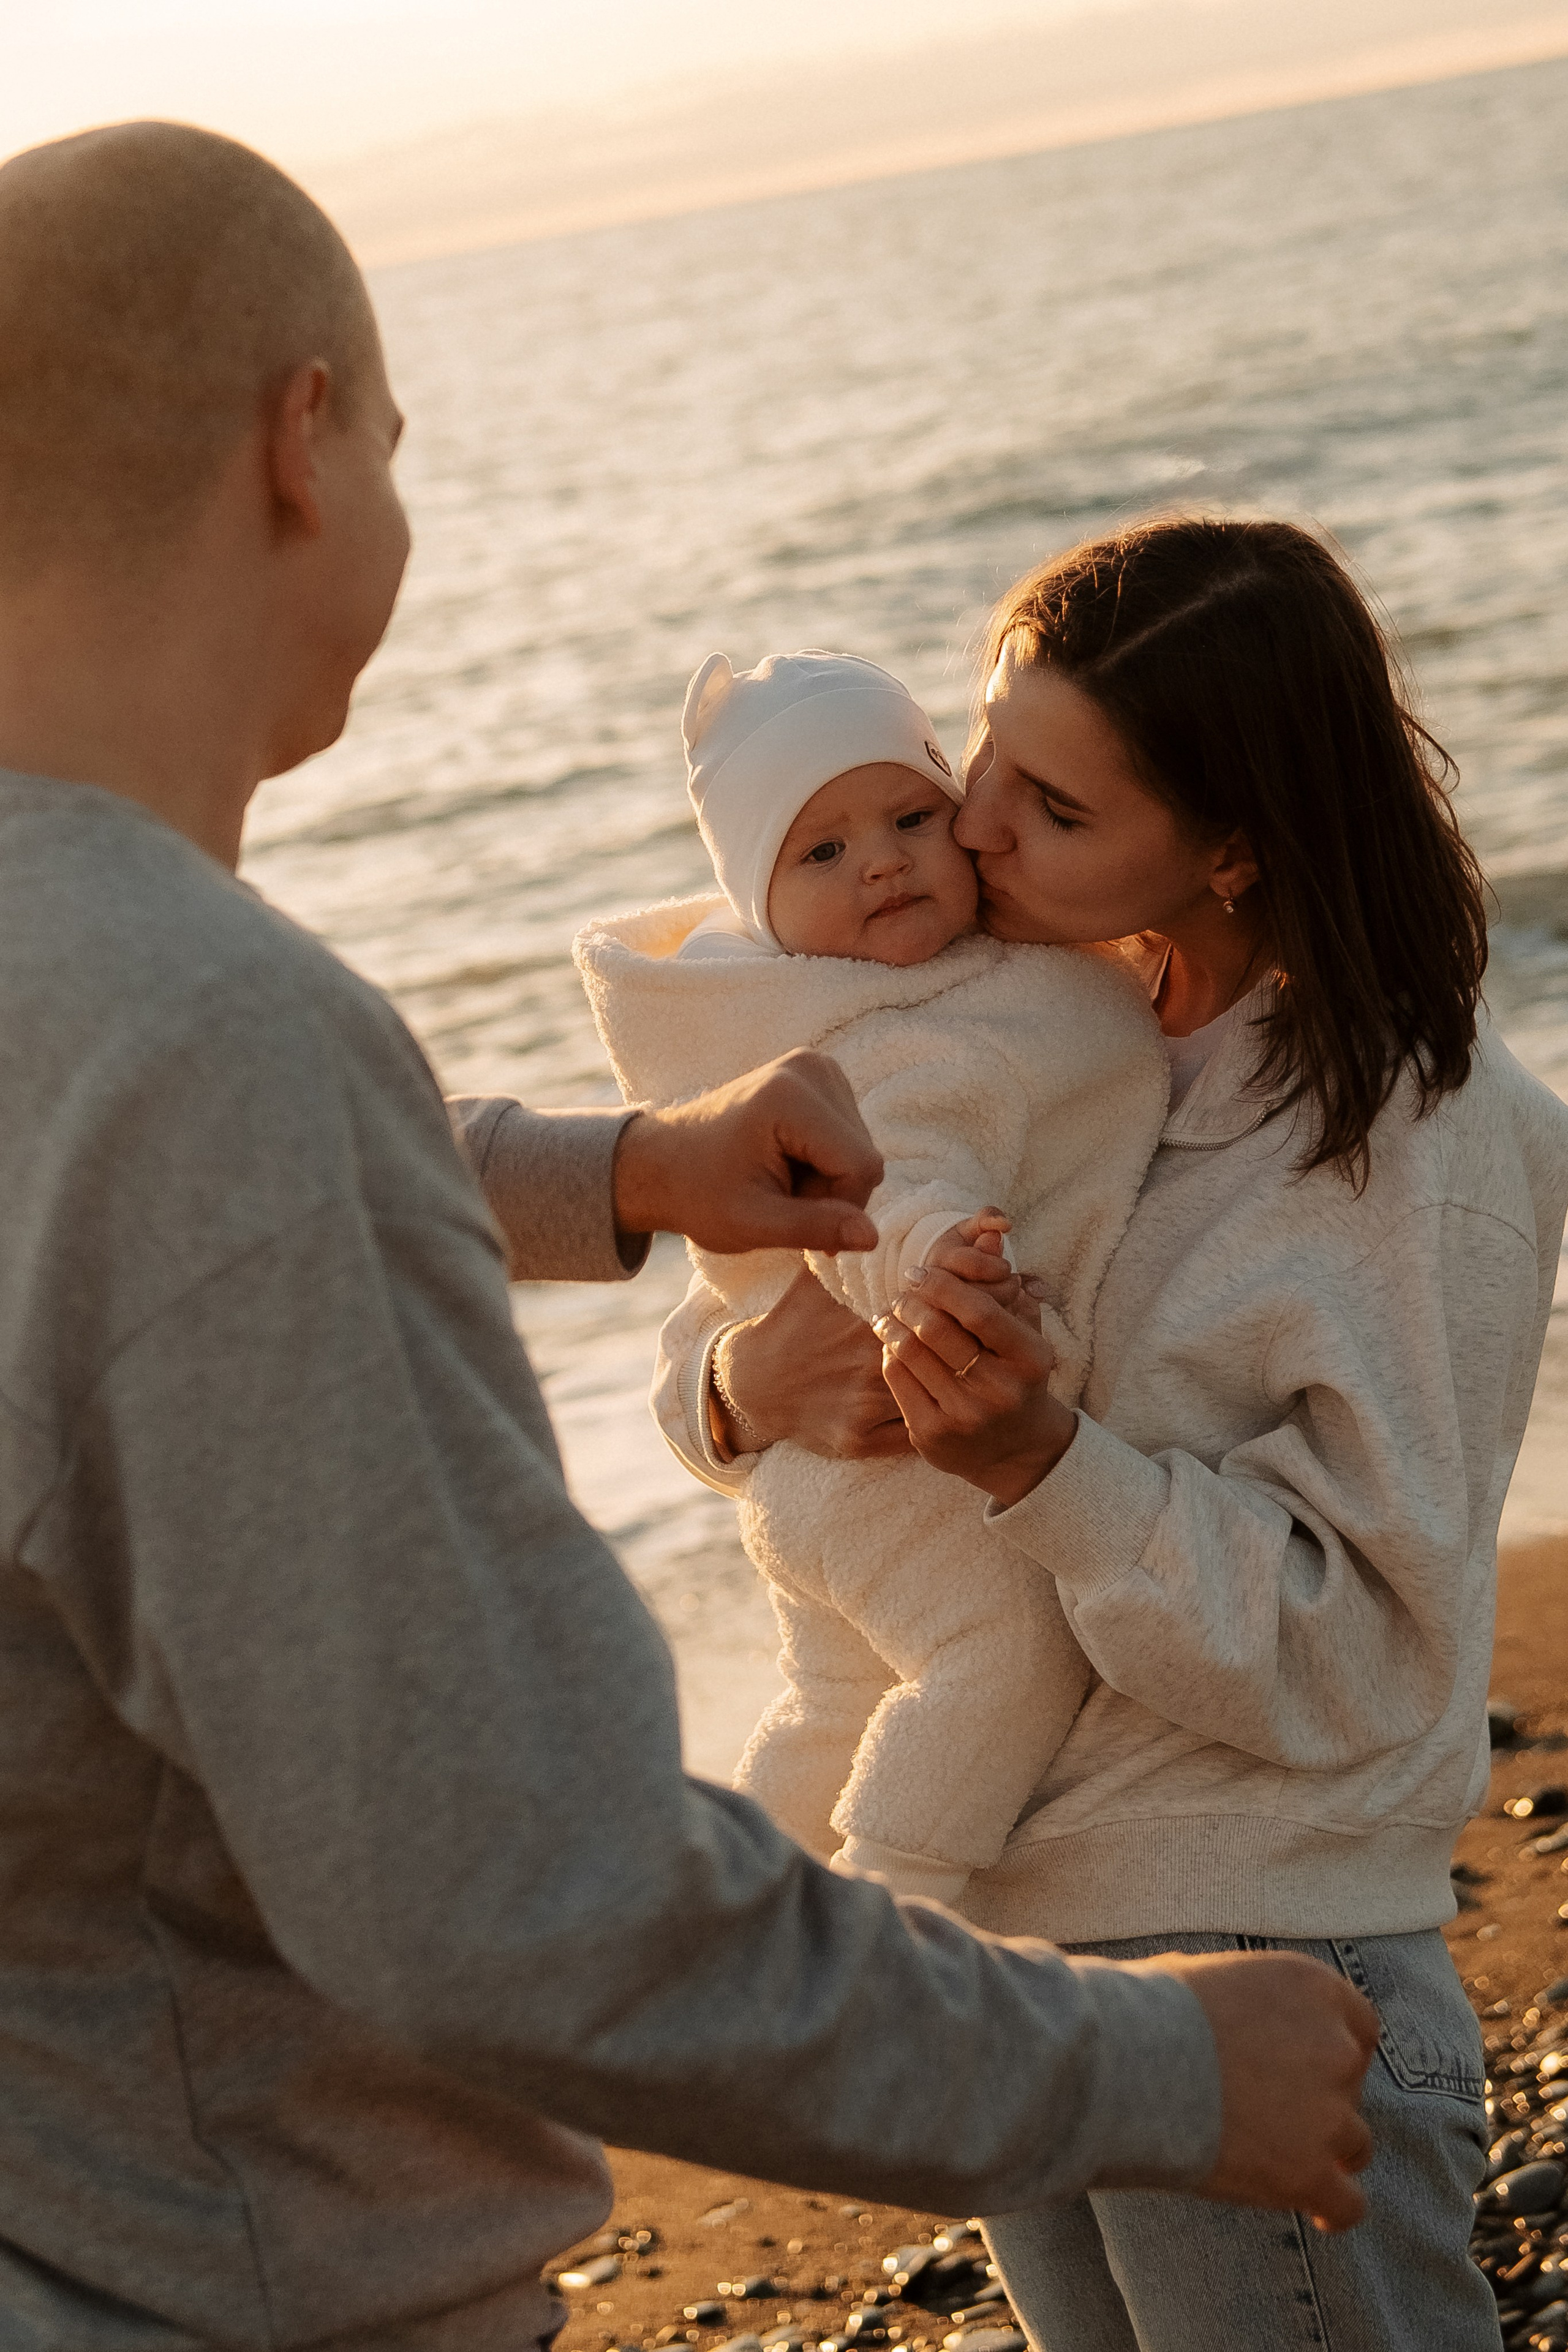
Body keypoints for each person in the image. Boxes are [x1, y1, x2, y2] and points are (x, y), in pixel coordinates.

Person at [0, 126, 1380, 2351]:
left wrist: (631, 1169)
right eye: (402, 450)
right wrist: (1152, 2067)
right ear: (304, 438)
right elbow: (508, 1887)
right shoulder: (204, 1038)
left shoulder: (97, 1015)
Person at [654, 518, 1568, 2350]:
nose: (971, 827)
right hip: (1019, 1979)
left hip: (1257, 1958)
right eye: (987, 753)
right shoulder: (1030, 1012)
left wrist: (1037, 1465)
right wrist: (740, 1397)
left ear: (1230, 848)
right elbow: (762, 1273)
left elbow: (1360, 1650)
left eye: (1053, 811)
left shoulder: (1428, 1150)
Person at [573, 646, 1167, 1907]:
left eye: (907, 817)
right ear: (760, 904)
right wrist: (929, 1256)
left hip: (811, 1484)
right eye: (821, 853)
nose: (883, 863)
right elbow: (891, 1178)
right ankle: (897, 1909)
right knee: (1002, 1658)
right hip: (893, 1462)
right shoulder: (898, 1037)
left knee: (832, 1707)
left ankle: (733, 1933)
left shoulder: (851, 1012)